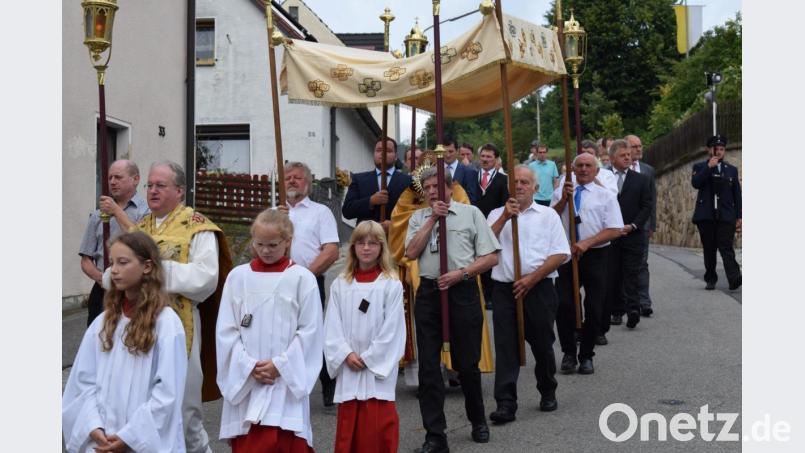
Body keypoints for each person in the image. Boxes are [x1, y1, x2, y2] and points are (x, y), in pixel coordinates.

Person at [102, 160, 232, 453]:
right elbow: (113, 273)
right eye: (149, 185)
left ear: (180, 191)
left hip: (180, 326)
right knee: (139, 408)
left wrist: (154, 271)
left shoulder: (197, 227)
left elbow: (205, 278)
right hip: (135, 327)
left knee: (185, 416)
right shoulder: (139, 229)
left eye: (160, 185)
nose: (152, 191)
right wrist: (116, 276)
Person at [63, 232, 187, 453]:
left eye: (123, 262)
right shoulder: (103, 323)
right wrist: (93, 427)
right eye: (112, 263)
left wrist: (130, 437)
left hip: (142, 442)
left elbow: (168, 392)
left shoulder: (166, 324)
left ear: (147, 266)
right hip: (100, 440)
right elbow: (83, 382)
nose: (115, 270)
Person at [405, 167, 500, 453]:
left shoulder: (471, 214)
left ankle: (478, 420)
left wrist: (463, 274)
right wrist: (433, 218)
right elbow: (410, 253)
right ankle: (435, 434)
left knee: (467, 363)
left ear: (449, 186)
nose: (433, 191)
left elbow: (491, 257)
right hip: (430, 293)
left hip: (462, 290)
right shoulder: (418, 217)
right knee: (429, 368)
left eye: (437, 185)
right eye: (428, 187)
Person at [216, 209, 321, 452]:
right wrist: (248, 366)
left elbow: (310, 331)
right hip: (248, 380)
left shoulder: (302, 278)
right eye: (259, 244)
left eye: (273, 245)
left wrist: (280, 366)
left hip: (285, 383)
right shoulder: (238, 277)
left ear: (288, 241)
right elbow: (226, 331)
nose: (265, 250)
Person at [487, 166, 569, 424]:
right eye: (515, 182)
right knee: (505, 346)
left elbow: (559, 254)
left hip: (539, 287)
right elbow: (483, 246)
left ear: (535, 187)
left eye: (525, 182)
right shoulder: (495, 214)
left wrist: (532, 279)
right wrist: (504, 219)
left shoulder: (548, 216)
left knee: (543, 342)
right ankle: (506, 403)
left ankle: (547, 389)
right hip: (504, 288)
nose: (519, 186)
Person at [325, 221, 406, 453]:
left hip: (375, 372)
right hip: (349, 368)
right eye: (361, 242)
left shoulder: (390, 284)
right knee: (349, 433)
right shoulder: (341, 284)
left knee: (376, 433)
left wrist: (369, 358)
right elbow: (332, 325)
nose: (366, 248)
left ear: (382, 247)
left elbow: (393, 329)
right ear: (353, 248)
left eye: (372, 243)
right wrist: (345, 354)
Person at [552, 153, 622, 375]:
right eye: (579, 166)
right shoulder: (563, 190)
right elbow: (550, 218)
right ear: (572, 169)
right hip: (566, 255)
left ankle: (587, 355)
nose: (583, 169)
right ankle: (569, 353)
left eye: (587, 166)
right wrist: (564, 198)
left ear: (596, 170)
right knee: (565, 305)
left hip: (596, 255)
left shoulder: (605, 196)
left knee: (594, 306)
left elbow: (615, 228)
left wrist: (587, 243)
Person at [279, 161, 341, 406]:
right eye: (287, 178)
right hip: (279, 283)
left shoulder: (320, 212)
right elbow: (259, 248)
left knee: (313, 333)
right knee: (282, 334)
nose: (292, 181)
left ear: (308, 183)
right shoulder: (275, 214)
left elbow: (332, 251)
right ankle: (284, 383)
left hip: (310, 280)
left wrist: (304, 275)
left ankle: (328, 383)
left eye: (298, 177)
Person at [79, 160, 149, 326]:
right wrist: (102, 279)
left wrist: (116, 211)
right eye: (110, 178)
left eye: (118, 177)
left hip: (135, 289)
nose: (112, 182)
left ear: (135, 179)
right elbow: (85, 259)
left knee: (133, 341)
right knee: (98, 341)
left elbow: (143, 243)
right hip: (102, 290)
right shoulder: (98, 215)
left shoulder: (146, 212)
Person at [601, 140, 653, 334]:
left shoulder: (641, 179)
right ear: (613, 157)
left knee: (631, 272)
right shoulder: (603, 178)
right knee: (613, 273)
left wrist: (633, 225)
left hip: (633, 234)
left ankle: (633, 308)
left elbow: (647, 205)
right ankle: (616, 310)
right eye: (623, 155)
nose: (628, 158)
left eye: (629, 155)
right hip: (611, 234)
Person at [692, 134, 742, 290]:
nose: (719, 152)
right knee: (709, 247)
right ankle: (710, 278)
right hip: (706, 214)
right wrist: (709, 167)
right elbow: (696, 183)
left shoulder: (731, 170)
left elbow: (737, 194)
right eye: (716, 149)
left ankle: (734, 278)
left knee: (726, 246)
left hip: (726, 214)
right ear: (709, 150)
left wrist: (739, 216)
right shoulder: (700, 167)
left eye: (722, 149)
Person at [343, 137, 413, 228]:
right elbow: (347, 211)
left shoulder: (409, 181)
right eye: (379, 150)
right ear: (374, 154)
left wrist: (394, 224)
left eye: (388, 151)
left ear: (396, 156)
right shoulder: (359, 179)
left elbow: (414, 213)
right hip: (367, 238)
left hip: (397, 239)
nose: (383, 153)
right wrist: (371, 201)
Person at [473, 143, 510, 310]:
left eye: (489, 157)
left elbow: (505, 204)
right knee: (475, 258)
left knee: (491, 258)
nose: (485, 160)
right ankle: (479, 293)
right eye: (483, 156)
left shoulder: (504, 179)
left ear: (496, 160)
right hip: (473, 223)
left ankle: (491, 295)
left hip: (494, 225)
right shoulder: (471, 176)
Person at [625, 134, 657, 316]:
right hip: (622, 225)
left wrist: (652, 223)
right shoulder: (615, 170)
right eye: (634, 146)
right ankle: (627, 301)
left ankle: (644, 302)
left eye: (640, 145)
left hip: (643, 225)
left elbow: (652, 199)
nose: (638, 149)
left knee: (642, 263)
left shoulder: (648, 170)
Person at [443, 137, 479, 203]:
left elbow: (472, 198)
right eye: (444, 152)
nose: (447, 155)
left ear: (457, 151)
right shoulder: (435, 171)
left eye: (451, 151)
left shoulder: (469, 171)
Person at [527, 142, 559, 206]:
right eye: (540, 152)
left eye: (544, 152)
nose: (542, 154)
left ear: (546, 153)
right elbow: (528, 181)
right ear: (537, 153)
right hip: (535, 198)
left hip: (549, 198)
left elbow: (556, 181)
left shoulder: (552, 164)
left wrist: (555, 194)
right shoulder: (531, 166)